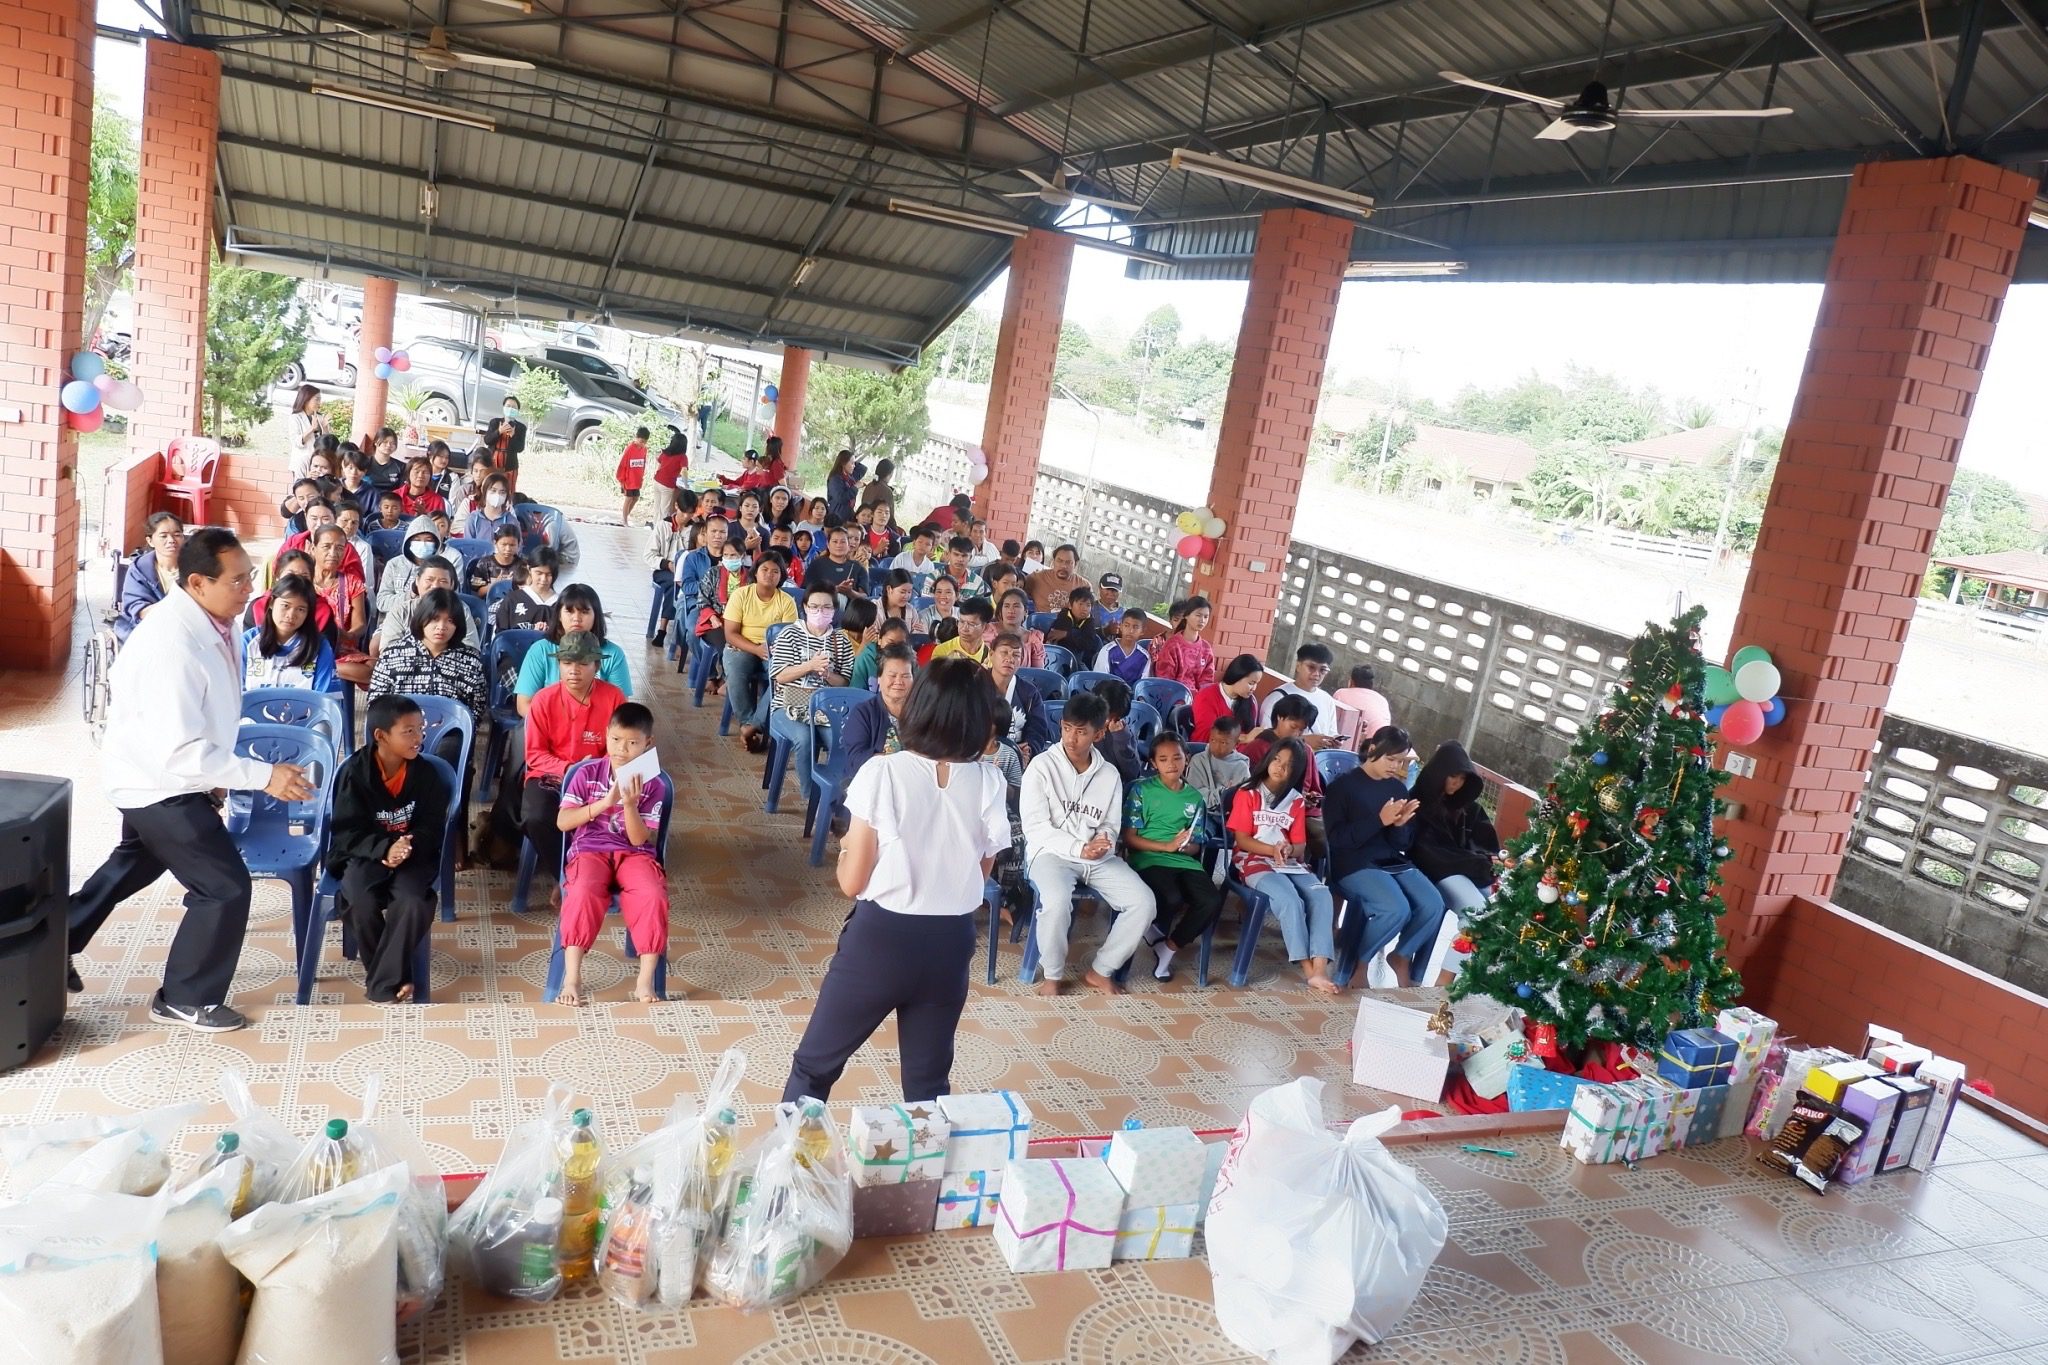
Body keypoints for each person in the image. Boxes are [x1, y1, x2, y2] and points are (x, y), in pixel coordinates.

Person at [69, 528, 315, 1030]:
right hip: (157, 784)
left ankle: (57, 939)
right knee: (224, 887)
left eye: (250, 576)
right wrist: (262, 776)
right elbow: (179, 749)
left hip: (168, 774)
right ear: (199, 582)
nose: (250, 588)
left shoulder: (216, 622)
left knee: (136, 862)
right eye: (238, 580)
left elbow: (206, 716)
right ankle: (185, 997)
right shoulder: (171, 644)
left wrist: (219, 773)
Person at [782, 656, 1011, 1103]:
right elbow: (980, 872)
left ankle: (791, 1148)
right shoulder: (990, 781)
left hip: (881, 940)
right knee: (927, 1085)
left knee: (814, 1068)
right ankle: (924, 1150)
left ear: (920, 706)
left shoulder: (882, 771)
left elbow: (852, 883)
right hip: (951, 943)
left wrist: (846, 851)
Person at [1020, 690, 1155, 996]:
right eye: (1067, 728)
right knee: (1056, 902)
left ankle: (1101, 970)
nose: (1071, 738)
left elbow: (1109, 823)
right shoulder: (1041, 767)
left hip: (1096, 856)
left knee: (1143, 902)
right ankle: (1052, 974)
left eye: (1081, 732)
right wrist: (1078, 848)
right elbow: (1035, 828)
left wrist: (1104, 840)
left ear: (1099, 733)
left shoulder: (1108, 774)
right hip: (1050, 854)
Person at [328, 694, 448, 1004]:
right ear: (381, 736)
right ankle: (396, 977)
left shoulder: (425, 774)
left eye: (420, 729)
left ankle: (382, 984)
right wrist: (384, 848)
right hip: (366, 854)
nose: (419, 737)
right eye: (408, 731)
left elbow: (433, 825)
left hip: (412, 854)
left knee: (412, 901)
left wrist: (407, 844)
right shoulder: (355, 774)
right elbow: (346, 832)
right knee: (359, 900)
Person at [556, 702, 671, 1005]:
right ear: (606, 734)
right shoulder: (587, 773)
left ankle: (645, 981)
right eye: (616, 739)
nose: (622, 749)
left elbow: (638, 838)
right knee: (582, 891)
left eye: (633, 743)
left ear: (648, 743)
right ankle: (572, 977)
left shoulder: (654, 783)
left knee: (652, 894)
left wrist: (629, 804)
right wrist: (606, 803)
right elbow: (563, 822)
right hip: (590, 851)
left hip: (634, 853)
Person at [1324, 726, 1447, 988]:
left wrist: (1400, 826)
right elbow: (1337, 840)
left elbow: (1400, 844)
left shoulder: (1397, 789)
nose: (1395, 766)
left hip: (1390, 860)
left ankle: (1401, 954)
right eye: (1390, 759)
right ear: (1372, 750)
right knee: (1395, 909)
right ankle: (1359, 961)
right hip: (1352, 862)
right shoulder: (1342, 787)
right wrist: (1379, 820)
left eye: (1401, 761)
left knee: (1433, 903)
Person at [1228, 737, 1337, 995]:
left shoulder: (1296, 800)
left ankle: (1320, 967)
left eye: (1288, 765)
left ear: (1296, 772)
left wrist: (1288, 850)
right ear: (1269, 759)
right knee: (1290, 900)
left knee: (1322, 895)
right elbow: (1242, 840)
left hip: (1288, 863)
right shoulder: (1248, 793)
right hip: (1253, 859)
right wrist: (1271, 850)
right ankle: (1309, 971)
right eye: (1277, 759)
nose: (1280, 767)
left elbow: (1299, 846)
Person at [521, 631, 626, 890]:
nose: (573, 670)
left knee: (614, 817)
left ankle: (598, 872)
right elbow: (535, 755)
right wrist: (569, 769)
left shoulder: (613, 697)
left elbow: (621, 748)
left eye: (583, 663)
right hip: (551, 777)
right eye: (567, 663)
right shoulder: (543, 699)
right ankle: (567, 877)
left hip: (599, 779)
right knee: (536, 817)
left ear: (597, 666)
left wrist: (593, 771)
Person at [1123, 733, 1223, 980]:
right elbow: (1130, 838)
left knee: (1211, 900)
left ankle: (1168, 949)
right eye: (1163, 759)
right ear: (1153, 763)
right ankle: (1150, 930)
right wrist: (1166, 846)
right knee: (1171, 898)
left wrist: (1185, 847)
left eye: (1177, 757)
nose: (1171, 764)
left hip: (1182, 860)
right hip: (1148, 857)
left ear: (1186, 759)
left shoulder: (1194, 798)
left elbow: (1196, 846)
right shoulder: (1141, 790)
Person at [764, 583, 856, 800]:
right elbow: (780, 676)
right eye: (814, 607)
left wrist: (828, 675)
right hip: (788, 706)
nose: (820, 612)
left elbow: (844, 683)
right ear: (805, 607)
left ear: (834, 610)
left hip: (826, 710)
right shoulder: (789, 634)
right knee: (804, 739)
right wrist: (809, 666)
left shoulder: (841, 640)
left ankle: (838, 797)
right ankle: (811, 798)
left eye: (826, 607)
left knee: (841, 741)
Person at [1409, 740, 1499, 930]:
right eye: (1453, 776)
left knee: (1500, 909)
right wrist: (1472, 862)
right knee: (1477, 914)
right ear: (1439, 773)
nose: (1457, 783)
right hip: (1433, 871)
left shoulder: (1468, 807)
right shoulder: (1418, 802)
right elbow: (1426, 853)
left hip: (1465, 868)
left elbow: (1485, 844)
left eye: (1463, 778)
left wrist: (1480, 860)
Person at [370, 588, 490, 722]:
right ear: (421, 618)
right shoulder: (392, 656)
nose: (441, 627)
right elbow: (376, 704)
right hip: (399, 729)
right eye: (434, 619)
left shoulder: (470, 662)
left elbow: (477, 707)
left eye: (450, 620)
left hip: (449, 729)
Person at [515, 584, 632, 715]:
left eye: (584, 612)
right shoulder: (540, 650)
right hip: (547, 724)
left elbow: (620, 711)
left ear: (596, 615)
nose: (576, 618)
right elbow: (524, 705)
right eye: (569, 611)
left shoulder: (613, 654)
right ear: (559, 615)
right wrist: (560, 724)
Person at [1241, 694, 1327, 860]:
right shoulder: (1258, 746)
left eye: (1302, 730)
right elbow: (1250, 786)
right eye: (1293, 726)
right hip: (1267, 810)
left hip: (1301, 810)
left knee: (1331, 835)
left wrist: (1310, 798)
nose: (1296, 733)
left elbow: (1313, 787)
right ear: (1280, 717)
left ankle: (1310, 869)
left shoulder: (1305, 750)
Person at [724, 552, 797, 749]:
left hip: (774, 650)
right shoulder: (741, 595)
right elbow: (730, 634)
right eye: (764, 569)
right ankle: (747, 723)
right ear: (755, 572)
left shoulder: (787, 601)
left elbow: (788, 637)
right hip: (743, 645)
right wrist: (755, 649)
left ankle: (753, 726)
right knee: (735, 672)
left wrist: (772, 650)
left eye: (775, 571)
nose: (769, 575)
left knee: (783, 678)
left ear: (781, 576)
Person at [240, 574, 341, 693]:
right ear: (271, 603)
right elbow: (234, 693)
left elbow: (326, 699)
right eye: (285, 606)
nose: (291, 615)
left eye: (301, 609)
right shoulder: (248, 642)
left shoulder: (320, 647)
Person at [373, 555, 475, 661]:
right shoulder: (401, 611)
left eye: (443, 581)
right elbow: (389, 652)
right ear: (417, 581)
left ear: (452, 585)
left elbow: (471, 651)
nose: (435, 586)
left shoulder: (462, 611)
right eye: (429, 580)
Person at [841, 642, 915, 774]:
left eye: (906, 676)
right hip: (873, 779)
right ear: (879, 678)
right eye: (892, 676)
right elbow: (855, 760)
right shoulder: (863, 713)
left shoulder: (922, 712)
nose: (899, 681)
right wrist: (894, 762)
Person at [114, 512, 185, 642]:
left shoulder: (195, 569)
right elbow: (139, 609)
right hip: (144, 630)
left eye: (177, 534)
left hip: (184, 630)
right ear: (150, 541)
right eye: (163, 536)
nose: (171, 540)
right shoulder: (139, 569)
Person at [985, 631, 1052, 760]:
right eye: (1004, 652)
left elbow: (1037, 730)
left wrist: (1028, 751)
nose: (1010, 659)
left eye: (1016, 655)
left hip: (1017, 755)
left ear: (1021, 660)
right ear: (991, 655)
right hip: (979, 754)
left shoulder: (1029, 692)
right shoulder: (975, 686)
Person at [1259, 642, 1339, 748]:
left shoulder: (1328, 700)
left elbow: (1331, 732)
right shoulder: (1278, 697)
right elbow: (1266, 737)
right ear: (1298, 666)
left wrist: (1334, 741)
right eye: (1311, 667)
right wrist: (1303, 740)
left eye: (1322, 670)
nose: (1316, 674)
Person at [1192, 652, 1264, 741]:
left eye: (1256, 684)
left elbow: (1250, 732)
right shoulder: (1207, 696)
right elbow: (1206, 736)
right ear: (1237, 676)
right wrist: (1245, 738)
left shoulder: (1251, 701)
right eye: (1251, 683)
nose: (1254, 688)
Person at [1151, 596, 1216, 692]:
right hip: (1173, 695)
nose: (1202, 620)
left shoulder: (1206, 649)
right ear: (1186, 615)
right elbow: (1164, 680)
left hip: (1197, 699)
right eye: (1198, 615)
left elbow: (1207, 682)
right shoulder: (1172, 645)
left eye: (1206, 617)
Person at [1186, 714, 1249, 810]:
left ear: (1236, 744)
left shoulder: (1241, 767)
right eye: (1213, 740)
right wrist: (1222, 793)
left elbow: (1242, 799)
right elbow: (1193, 795)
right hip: (1201, 812)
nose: (1216, 747)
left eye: (1223, 743)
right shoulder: (1198, 761)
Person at [494, 546, 561, 633]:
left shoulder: (561, 604)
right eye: (539, 573)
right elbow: (501, 635)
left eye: (549, 574)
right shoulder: (512, 599)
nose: (543, 579)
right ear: (529, 569)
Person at [1093, 677, 1142, 784]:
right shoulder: (1080, 727)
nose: (1107, 722)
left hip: (1114, 786)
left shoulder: (1122, 733)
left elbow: (1133, 774)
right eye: (1104, 716)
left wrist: (1121, 740)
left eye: (1114, 718)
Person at [1334, 663, 1394, 747]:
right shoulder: (1382, 699)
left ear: (1351, 681)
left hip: (1357, 743)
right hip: (1381, 743)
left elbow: (1333, 721)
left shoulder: (1341, 693)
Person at [1044, 585, 1105, 664]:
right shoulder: (1063, 617)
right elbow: (1062, 642)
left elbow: (1087, 643)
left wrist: (1067, 634)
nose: (1084, 608)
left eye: (1088, 605)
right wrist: (1078, 636)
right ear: (1070, 605)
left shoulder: (1090, 621)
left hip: (1079, 660)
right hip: (1057, 658)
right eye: (1080, 604)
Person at [807, 525, 870, 600]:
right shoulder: (816, 565)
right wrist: (834, 590)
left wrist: (850, 592)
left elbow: (865, 597)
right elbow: (806, 592)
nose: (839, 545)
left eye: (843, 542)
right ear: (828, 544)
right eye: (835, 541)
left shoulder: (858, 567)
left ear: (848, 545)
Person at [481, 396, 528, 493]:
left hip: (510, 464)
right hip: (493, 461)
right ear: (503, 407)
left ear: (518, 410)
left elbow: (520, 448)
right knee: (489, 487)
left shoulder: (521, 427)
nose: (511, 409)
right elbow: (487, 440)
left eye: (514, 407)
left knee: (508, 489)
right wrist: (499, 431)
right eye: (508, 406)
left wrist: (513, 436)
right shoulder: (495, 422)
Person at [993, 588, 1048, 669]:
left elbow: (1038, 672)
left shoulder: (1034, 639)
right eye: (1006, 606)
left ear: (1025, 612)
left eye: (1016, 606)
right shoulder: (989, 632)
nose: (1010, 611)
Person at [851, 618, 910, 692]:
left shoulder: (909, 662)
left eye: (900, 645)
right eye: (890, 643)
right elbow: (855, 693)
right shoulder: (865, 658)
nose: (895, 648)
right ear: (879, 640)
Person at [928, 595, 991, 664]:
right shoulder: (942, 652)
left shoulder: (991, 656)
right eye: (962, 622)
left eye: (971, 624)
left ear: (985, 627)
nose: (964, 628)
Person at [1095, 609, 1152, 685]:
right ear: (1121, 626)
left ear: (1142, 631)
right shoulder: (1107, 651)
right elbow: (1099, 680)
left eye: (1135, 627)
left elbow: (1142, 686)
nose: (1131, 631)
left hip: (1133, 692)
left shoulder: (1145, 657)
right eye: (1126, 626)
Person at [286, 383, 329, 479]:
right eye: (317, 399)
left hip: (319, 464)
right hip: (302, 463)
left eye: (320, 399)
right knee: (302, 486)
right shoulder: (295, 418)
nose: (319, 403)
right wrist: (311, 429)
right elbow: (296, 442)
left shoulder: (320, 417)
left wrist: (325, 428)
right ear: (306, 400)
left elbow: (327, 443)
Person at [1025, 543, 1084, 613]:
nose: (1063, 566)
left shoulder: (1083, 585)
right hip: (1040, 619)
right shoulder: (1036, 578)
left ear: (1075, 564)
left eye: (1068, 562)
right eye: (1059, 561)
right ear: (1053, 561)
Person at [467, 524, 524, 595]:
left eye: (512, 545)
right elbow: (478, 593)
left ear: (518, 544)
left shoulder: (523, 565)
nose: (508, 549)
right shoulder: (484, 564)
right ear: (495, 543)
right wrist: (495, 584)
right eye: (504, 544)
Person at [648, 427, 688, 523]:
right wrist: (686, 484)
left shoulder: (665, 452)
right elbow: (684, 471)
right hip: (667, 484)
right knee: (664, 510)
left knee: (657, 507)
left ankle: (655, 526)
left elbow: (660, 465)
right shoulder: (682, 457)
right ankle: (662, 528)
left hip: (657, 481)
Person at [464, 472, 519, 542]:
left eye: (502, 492)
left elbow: (517, 545)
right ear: (484, 491)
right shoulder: (473, 519)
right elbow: (468, 545)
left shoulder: (511, 521)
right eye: (493, 490)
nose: (497, 495)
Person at [890, 524, 941, 592]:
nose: (923, 546)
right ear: (914, 543)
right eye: (920, 542)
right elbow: (891, 577)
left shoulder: (930, 565)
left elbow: (928, 586)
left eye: (927, 544)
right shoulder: (901, 557)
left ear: (932, 548)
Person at [615, 425, 649, 525]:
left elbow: (643, 463)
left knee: (636, 498)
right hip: (628, 480)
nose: (642, 444)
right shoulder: (629, 449)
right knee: (629, 498)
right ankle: (624, 520)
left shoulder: (644, 449)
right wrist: (622, 480)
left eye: (645, 442)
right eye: (641, 441)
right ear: (636, 438)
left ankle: (625, 516)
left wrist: (641, 477)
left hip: (637, 480)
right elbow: (622, 465)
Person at [825, 448, 861, 523]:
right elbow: (841, 497)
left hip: (847, 516)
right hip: (837, 517)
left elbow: (862, 469)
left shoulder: (850, 478)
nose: (854, 466)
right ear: (843, 463)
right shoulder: (835, 479)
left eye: (854, 463)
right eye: (852, 463)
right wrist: (855, 487)